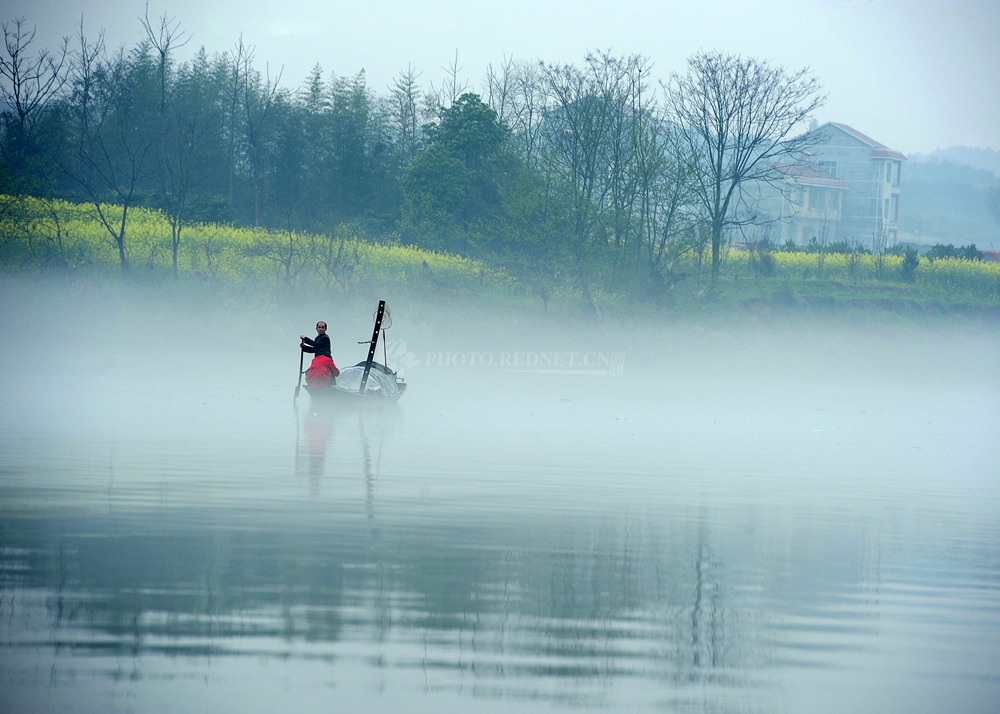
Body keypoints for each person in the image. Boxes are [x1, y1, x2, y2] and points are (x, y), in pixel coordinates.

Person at [300, 322, 340, 388]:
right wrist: (304, 348)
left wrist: (305, 338)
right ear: (316, 328)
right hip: (318, 360)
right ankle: (319, 386)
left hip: (326, 360)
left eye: (322, 327)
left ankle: (332, 388)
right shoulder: (317, 338)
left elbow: (315, 344)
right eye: (319, 327)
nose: (321, 329)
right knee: (316, 373)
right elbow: (314, 349)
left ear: (325, 329)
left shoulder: (325, 338)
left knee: (330, 374)